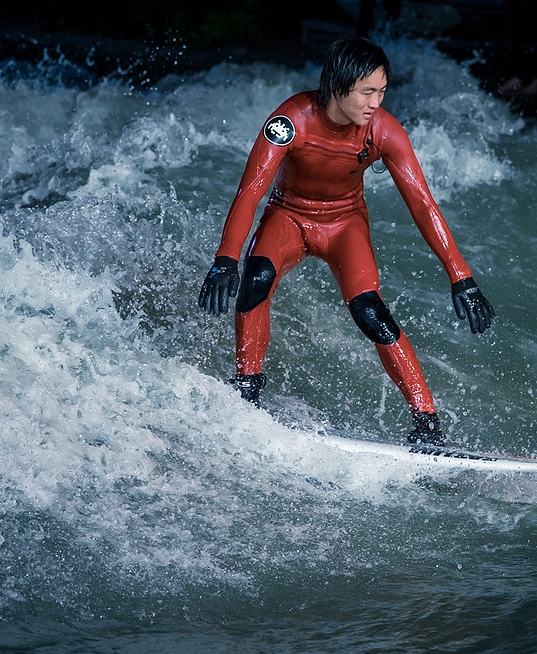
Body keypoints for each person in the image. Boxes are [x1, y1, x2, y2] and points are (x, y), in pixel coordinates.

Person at [198, 37, 495, 444]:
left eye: (382, 91)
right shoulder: (291, 121)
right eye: (367, 92)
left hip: (343, 224)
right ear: (338, 87)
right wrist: (225, 259)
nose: (376, 102)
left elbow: (423, 204)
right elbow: (250, 191)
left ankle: (427, 423)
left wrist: (461, 276)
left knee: (371, 311)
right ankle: (247, 391)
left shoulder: (383, 131)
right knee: (256, 278)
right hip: (288, 216)